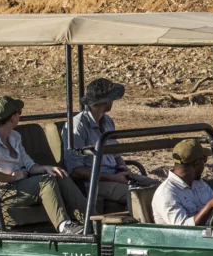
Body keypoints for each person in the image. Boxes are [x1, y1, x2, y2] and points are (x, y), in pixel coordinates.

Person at [0, 96, 88, 235]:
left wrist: (46, 168)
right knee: (46, 182)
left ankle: (91, 219)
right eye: (19, 113)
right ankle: (64, 226)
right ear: (13, 117)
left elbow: (28, 164)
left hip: (17, 186)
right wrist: (11, 178)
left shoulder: (14, 137)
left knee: (59, 175)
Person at [63, 78, 158, 213]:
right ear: (106, 101)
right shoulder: (77, 126)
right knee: (138, 195)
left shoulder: (107, 121)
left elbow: (115, 152)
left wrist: (122, 166)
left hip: (115, 175)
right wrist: (113, 178)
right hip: (94, 182)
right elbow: (76, 170)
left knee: (158, 188)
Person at [152, 139, 213, 226]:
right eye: (204, 160)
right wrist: (210, 205)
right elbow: (185, 229)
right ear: (196, 164)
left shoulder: (198, 183)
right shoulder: (166, 193)